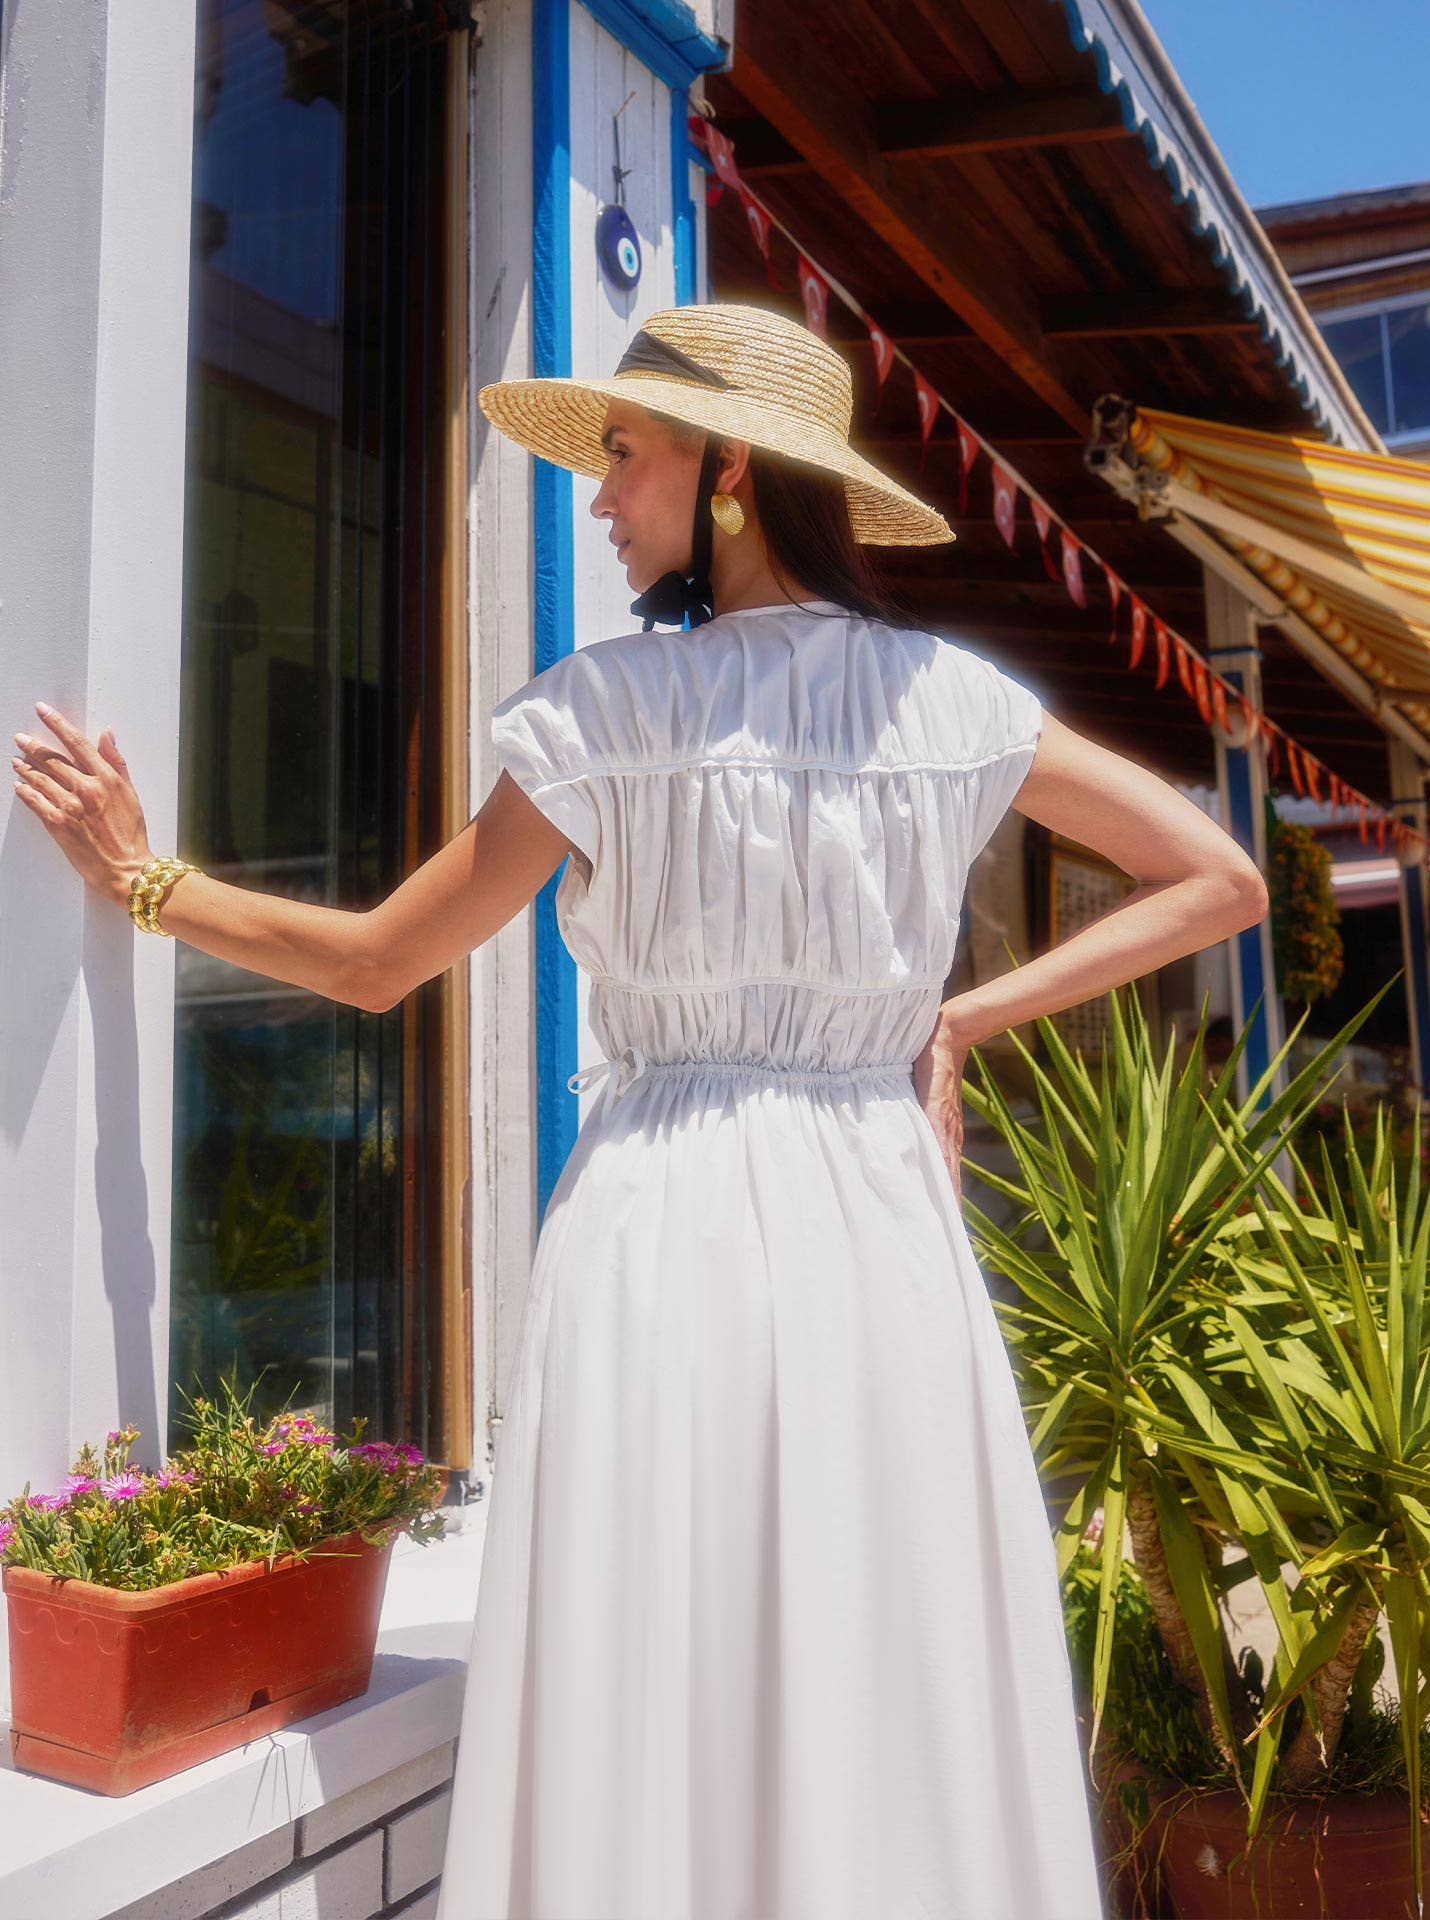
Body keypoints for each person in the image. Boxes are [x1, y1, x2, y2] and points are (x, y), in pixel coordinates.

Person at [12, 301, 1267, 1919]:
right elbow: (1220, 879)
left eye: (624, 454)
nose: (597, 497)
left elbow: (383, 964)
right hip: (876, 1222)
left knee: (661, 1658)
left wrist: (148, 880)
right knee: (875, 1648)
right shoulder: (955, 704)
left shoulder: (606, 712)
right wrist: (953, 1018)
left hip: (665, 1221)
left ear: (731, 470)